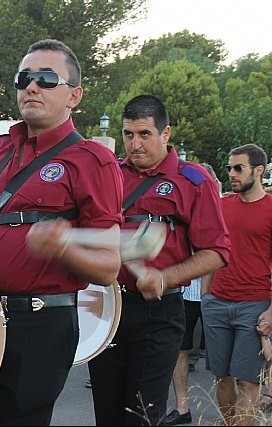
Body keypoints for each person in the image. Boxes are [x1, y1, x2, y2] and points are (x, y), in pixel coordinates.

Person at [0, 39, 124, 425]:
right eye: (24, 78)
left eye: (46, 79)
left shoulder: (92, 159)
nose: (31, 87)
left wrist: (62, 248)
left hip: (39, 326)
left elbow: (108, 268)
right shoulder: (0, 147)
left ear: (75, 95)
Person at [88, 95, 230, 426]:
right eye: (128, 134)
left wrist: (164, 277)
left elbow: (217, 252)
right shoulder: (110, 175)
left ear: (166, 134)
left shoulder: (193, 180)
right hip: (106, 307)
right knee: (107, 414)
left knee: (141, 415)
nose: (134, 144)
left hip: (158, 311)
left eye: (144, 134)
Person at [202, 143, 272, 426]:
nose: (231, 173)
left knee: (249, 382)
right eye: (230, 168)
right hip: (217, 303)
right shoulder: (221, 205)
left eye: (238, 168)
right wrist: (206, 296)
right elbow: (210, 251)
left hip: (254, 305)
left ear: (258, 170)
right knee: (222, 378)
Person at [164, 162, 221, 425]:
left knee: (223, 361)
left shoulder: (223, 210)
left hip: (215, 296)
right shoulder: (183, 206)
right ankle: (182, 407)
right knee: (181, 350)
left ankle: (234, 412)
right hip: (187, 293)